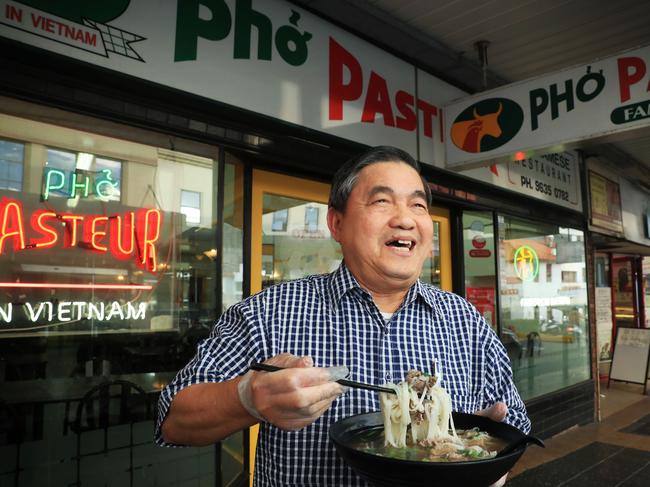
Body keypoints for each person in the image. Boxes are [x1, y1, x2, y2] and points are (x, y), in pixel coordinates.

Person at [156, 146, 531, 486]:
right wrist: (247, 398)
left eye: (418, 205)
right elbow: (173, 419)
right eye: (382, 201)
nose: (406, 219)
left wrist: (481, 458)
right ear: (336, 223)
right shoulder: (268, 313)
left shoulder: (463, 321)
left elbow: (513, 422)